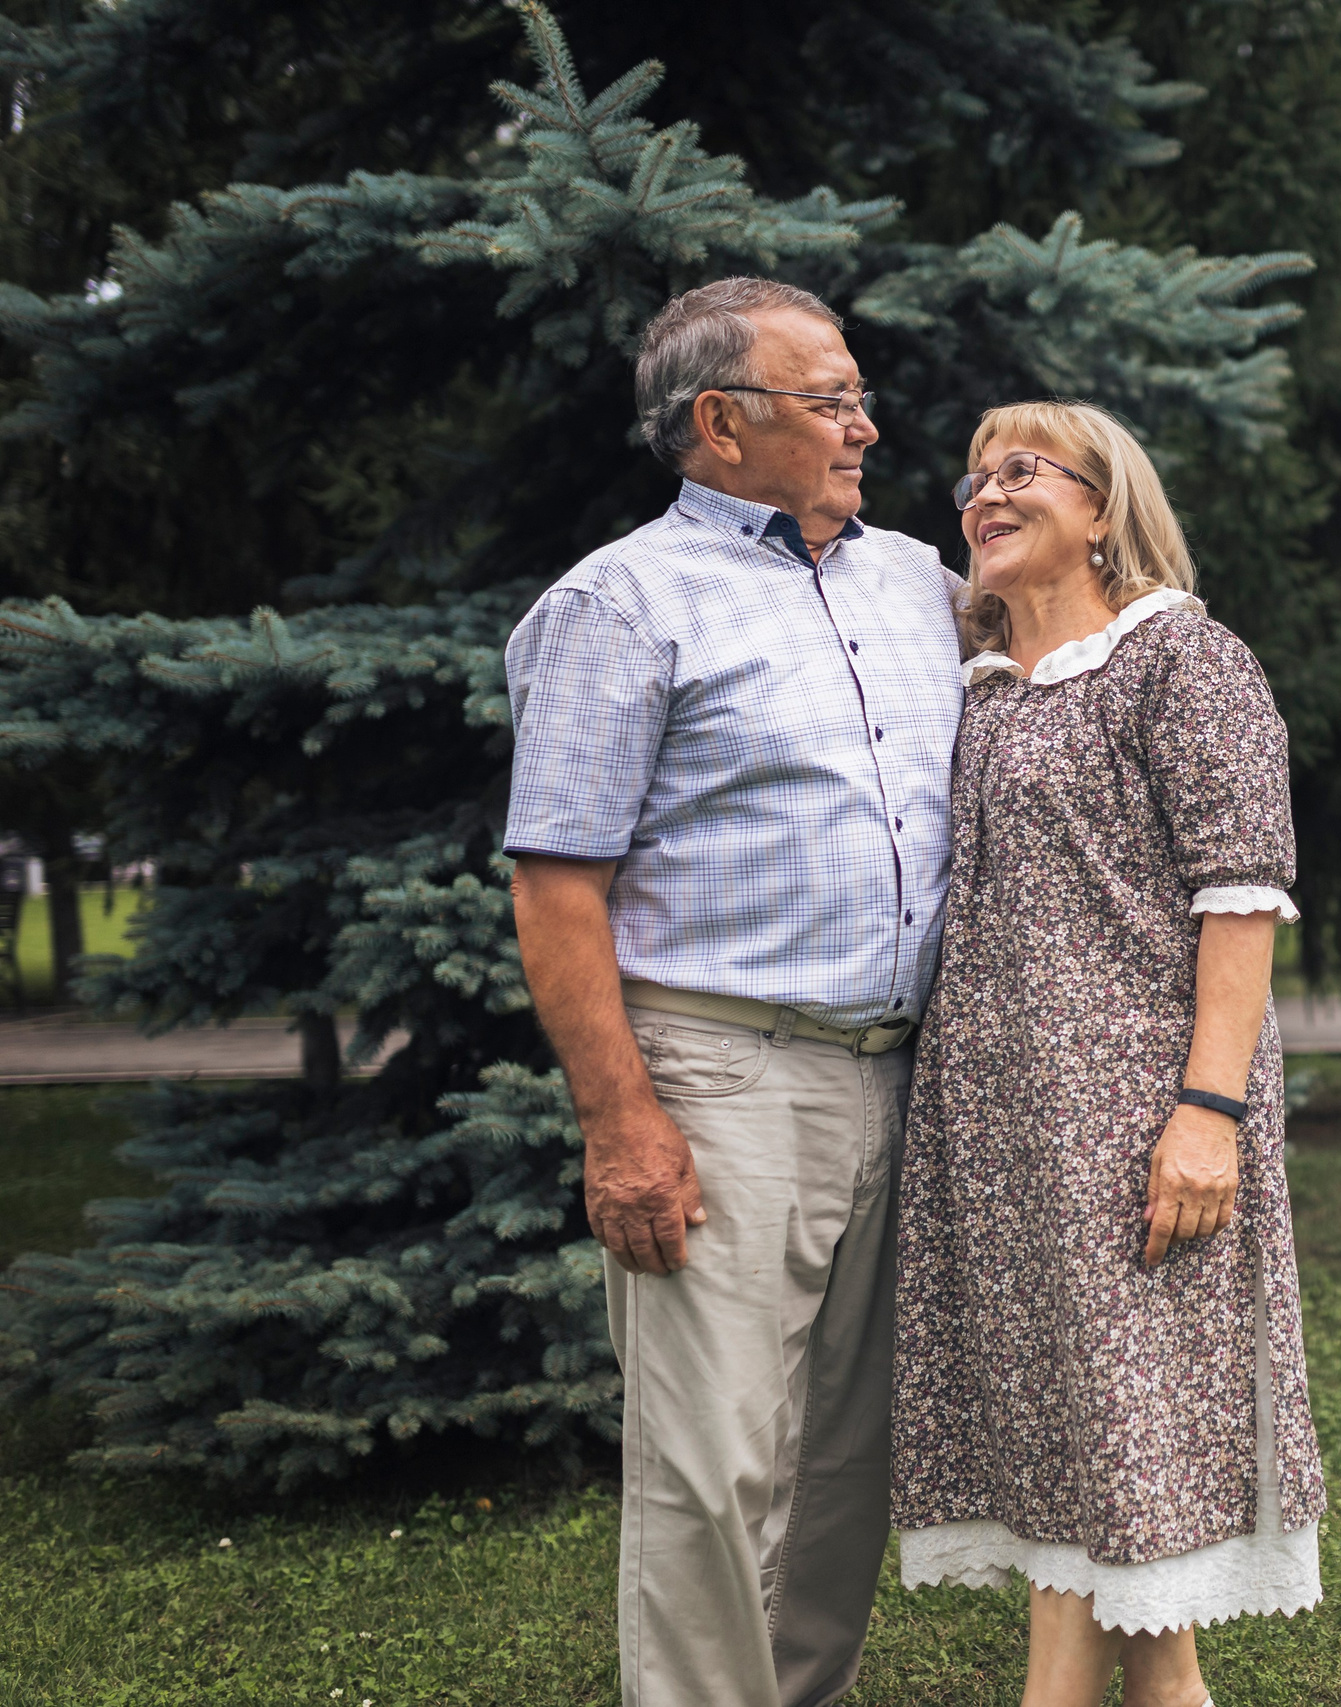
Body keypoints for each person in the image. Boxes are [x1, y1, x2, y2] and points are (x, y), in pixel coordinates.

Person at [504, 277, 963, 1707]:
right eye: (829, 399)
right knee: (714, 1468)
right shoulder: (619, 603)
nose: (866, 427)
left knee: (845, 1458)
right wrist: (620, 1122)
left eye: (858, 395)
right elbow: (556, 884)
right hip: (723, 1074)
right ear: (720, 422)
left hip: (910, 1071)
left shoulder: (915, 584)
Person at [893, 402, 1323, 1707]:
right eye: (974, 475)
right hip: (999, 1134)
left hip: (1133, 1125)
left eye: (1023, 468)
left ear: (1103, 506)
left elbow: (1240, 895)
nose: (987, 490)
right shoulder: (984, 693)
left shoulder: (1181, 660)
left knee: (1115, 1447)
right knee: (1082, 1458)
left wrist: (1207, 1112)